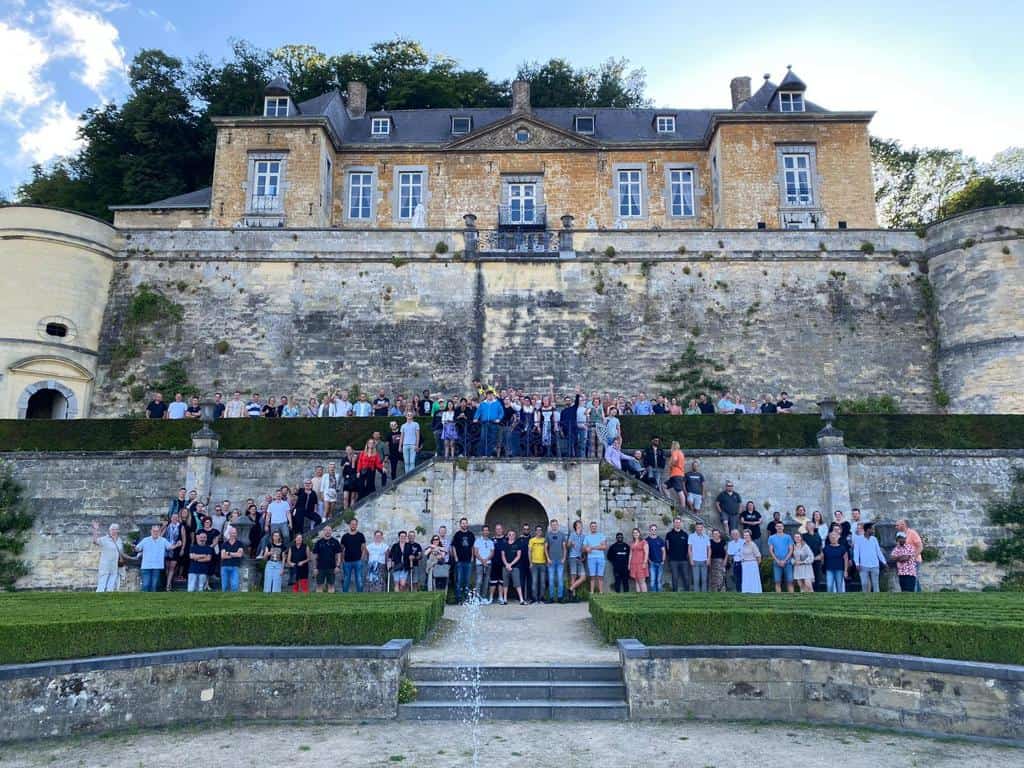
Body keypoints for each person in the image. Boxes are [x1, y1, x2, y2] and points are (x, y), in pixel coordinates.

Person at [134, 523, 171, 592]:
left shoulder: (163, 540)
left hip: (157, 566)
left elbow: (170, 547)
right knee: (145, 585)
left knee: (154, 586)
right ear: (151, 531)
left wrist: (177, 545)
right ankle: (143, 600)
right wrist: (135, 548)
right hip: (146, 566)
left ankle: (152, 601)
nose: (155, 532)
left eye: (157, 531)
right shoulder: (145, 540)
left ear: (159, 532)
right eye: (154, 531)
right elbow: (138, 548)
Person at [451, 517, 476, 603]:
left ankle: (466, 599)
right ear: (460, 524)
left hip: (468, 561)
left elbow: (473, 546)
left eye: (466, 523)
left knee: (467, 581)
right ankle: (458, 599)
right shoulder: (457, 534)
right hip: (460, 561)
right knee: (459, 581)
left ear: (467, 524)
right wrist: (456, 557)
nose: (464, 524)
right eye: (463, 523)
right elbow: (453, 546)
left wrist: (472, 556)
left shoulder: (471, 534)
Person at [92, 521, 122, 592]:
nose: (114, 531)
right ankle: (99, 593)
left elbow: (120, 551)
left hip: (114, 564)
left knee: (113, 579)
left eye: (115, 529)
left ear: (118, 530)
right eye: (112, 529)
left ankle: (109, 593)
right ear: (109, 530)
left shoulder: (119, 540)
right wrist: (95, 530)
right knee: (103, 579)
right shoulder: (105, 539)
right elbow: (95, 541)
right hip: (105, 564)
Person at [340, 518, 367, 593]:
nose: (353, 525)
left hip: (358, 561)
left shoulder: (360, 535)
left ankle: (359, 594)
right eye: (352, 524)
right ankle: (345, 594)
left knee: (359, 578)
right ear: (349, 525)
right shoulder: (345, 536)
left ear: (357, 525)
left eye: (355, 524)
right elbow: (341, 549)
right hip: (347, 561)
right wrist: (342, 559)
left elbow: (364, 548)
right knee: (346, 578)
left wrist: (362, 559)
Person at [896, 518, 924, 592]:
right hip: (905, 562)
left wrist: (912, 558)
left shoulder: (912, 533)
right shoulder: (899, 535)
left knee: (913, 579)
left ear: (903, 525)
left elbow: (920, 547)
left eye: (897, 525)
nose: (896, 527)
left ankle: (913, 597)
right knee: (913, 580)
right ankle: (919, 595)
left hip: (914, 561)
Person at [312, 526, 341, 593]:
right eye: (326, 530)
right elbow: (314, 556)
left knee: (331, 585)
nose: (328, 531)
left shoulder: (335, 542)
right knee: (319, 586)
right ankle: (320, 602)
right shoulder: (318, 542)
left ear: (331, 531)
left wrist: (338, 566)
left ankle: (330, 602)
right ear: (323, 531)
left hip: (331, 567)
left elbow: (339, 555)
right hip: (320, 568)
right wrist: (314, 568)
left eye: (329, 530)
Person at [768, 521, 795, 593]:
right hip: (777, 563)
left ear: (783, 527)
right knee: (777, 582)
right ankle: (779, 599)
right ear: (775, 527)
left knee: (790, 581)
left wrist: (784, 560)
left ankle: (792, 599)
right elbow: (771, 550)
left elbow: (791, 549)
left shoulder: (788, 537)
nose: (779, 527)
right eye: (778, 526)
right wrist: (777, 561)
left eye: (781, 526)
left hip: (787, 562)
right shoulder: (771, 537)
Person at [665, 517, 690, 592]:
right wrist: (669, 557)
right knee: (674, 577)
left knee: (686, 577)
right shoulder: (669, 534)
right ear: (673, 523)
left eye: (679, 522)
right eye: (676, 522)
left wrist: (688, 557)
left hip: (684, 560)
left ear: (681, 523)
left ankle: (687, 593)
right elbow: (667, 546)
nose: (677, 524)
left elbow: (688, 547)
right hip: (673, 560)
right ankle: (675, 593)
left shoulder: (685, 534)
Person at [545, 519, 567, 603]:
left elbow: (564, 548)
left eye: (555, 524)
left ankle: (560, 597)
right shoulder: (548, 535)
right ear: (550, 526)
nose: (554, 526)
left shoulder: (561, 535)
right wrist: (548, 558)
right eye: (552, 525)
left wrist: (564, 558)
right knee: (551, 579)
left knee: (560, 580)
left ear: (558, 525)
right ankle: (551, 598)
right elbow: (545, 548)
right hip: (551, 561)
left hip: (560, 561)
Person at [501, 530, 526, 605]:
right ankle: (505, 599)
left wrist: (510, 565)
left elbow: (518, 556)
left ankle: (521, 600)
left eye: (513, 534)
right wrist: (507, 565)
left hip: (515, 567)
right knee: (505, 584)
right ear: (507, 536)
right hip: (505, 567)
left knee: (517, 584)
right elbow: (503, 555)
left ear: (515, 536)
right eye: (510, 534)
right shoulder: (504, 544)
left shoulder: (518, 544)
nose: (511, 536)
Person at [583, 521, 608, 594]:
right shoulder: (587, 537)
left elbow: (604, 547)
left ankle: (601, 592)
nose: (593, 527)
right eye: (592, 526)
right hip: (591, 558)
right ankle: (592, 592)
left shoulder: (601, 535)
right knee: (592, 576)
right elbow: (584, 547)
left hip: (600, 558)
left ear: (596, 527)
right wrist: (586, 548)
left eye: (595, 526)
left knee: (600, 575)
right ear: (590, 528)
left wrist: (592, 547)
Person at [220, 526, 245, 592]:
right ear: (229, 533)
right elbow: (222, 556)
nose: (233, 534)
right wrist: (234, 554)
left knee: (235, 586)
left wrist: (228, 553)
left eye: (235, 533)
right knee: (224, 586)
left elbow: (239, 555)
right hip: (224, 566)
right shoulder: (224, 544)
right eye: (232, 533)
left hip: (235, 567)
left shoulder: (240, 544)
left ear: (236, 534)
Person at [473, 525, 494, 603]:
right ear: (482, 532)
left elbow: (492, 552)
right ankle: (476, 598)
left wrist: (486, 560)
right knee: (479, 580)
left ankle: (483, 597)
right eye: (484, 530)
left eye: (487, 530)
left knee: (486, 580)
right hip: (479, 563)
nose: (486, 532)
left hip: (488, 563)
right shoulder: (478, 541)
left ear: (489, 532)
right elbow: (475, 552)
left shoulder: (491, 542)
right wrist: (483, 561)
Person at [567, 520, 587, 600]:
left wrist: (584, 555)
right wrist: (571, 543)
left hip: (580, 558)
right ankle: (573, 596)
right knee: (573, 577)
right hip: (572, 557)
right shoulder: (572, 534)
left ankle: (570, 589)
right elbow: (568, 545)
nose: (580, 526)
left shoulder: (583, 536)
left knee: (583, 577)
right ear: (575, 526)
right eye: (579, 524)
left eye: (581, 524)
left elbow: (583, 547)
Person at [528, 525, 548, 603]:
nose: (539, 532)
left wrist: (547, 561)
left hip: (543, 563)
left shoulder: (544, 540)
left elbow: (546, 551)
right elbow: (529, 552)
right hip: (534, 563)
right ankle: (534, 598)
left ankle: (541, 598)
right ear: (535, 531)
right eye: (537, 530)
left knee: (543, 583)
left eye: (540, 530)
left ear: (542, 532)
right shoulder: (532, 540)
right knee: (534, 582)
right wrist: (530, 563)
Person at [688, 522, 710, 592]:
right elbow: (689, 549)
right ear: (695, 527)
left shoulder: (706, 537)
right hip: (695, 560)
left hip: (704, 560)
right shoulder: (691, 536)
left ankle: (704, 595)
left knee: (704, 579)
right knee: (696, 579)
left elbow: (709, 549)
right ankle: (696, 595)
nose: (699, 528)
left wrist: (708, 558)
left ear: (702, 528)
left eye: (701, 527)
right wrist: (691, 559)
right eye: (698, 527)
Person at [739, 529, 762, 593]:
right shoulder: (742, 544)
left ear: (750, 536)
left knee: (753, 580)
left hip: (752, 564)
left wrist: (756, 565)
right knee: (746, 580)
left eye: (747, 535)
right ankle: (746, 592)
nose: (746, 537)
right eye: (744, 535)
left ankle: (755, 592)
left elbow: (758, 555)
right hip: (744, 564)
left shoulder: (753, 544)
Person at [803, 521, 824, 591]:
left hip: (817, 560)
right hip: (807, 561)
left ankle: (817, 594)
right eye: (808, 525)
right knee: (808, 579)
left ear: (814, 527)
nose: (810, 527)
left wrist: (821, 555)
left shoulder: (817, 535)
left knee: (817, 578)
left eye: (812, 525)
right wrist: (810, 559)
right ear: (806, 527)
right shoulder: (803, 536)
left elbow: (821, 547)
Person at [628, 528, 650, 593]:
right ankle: (638, 596)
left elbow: (646, 553)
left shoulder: (644, 542)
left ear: (639, 533)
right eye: (634, 533)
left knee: (642, 580)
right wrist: (629, 564)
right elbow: (630, 554)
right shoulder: (632, 543)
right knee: (636, 580)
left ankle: (644, 597)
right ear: (632, 534)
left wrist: (645, 562)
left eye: (637, 532)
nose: (635, 534)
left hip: (641, 563)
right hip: (634, 564)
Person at [645, 524, 665, 592]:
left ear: (656, 530)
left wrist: (663, 560)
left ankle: (659, 596)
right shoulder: (646, 540)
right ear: (650, 530)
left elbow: (663, 551)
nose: (653, 531)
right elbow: (645, 552)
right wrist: (648, 560)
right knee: (652, 580)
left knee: (659, 580)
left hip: (660, 563)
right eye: (652, 529)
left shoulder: (660, 540)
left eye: (655, 529)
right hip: (652, 563)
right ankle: (653, 595)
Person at [666, 441, 686, 508]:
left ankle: (683, 509)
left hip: (676, 474)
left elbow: (675, 460)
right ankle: (669, 502)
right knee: (664, 486)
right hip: (678, 474)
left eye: (671, 446)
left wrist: (671, 465)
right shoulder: (681, 453)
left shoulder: (675, 452)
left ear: (673, 446)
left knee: (679, 491)